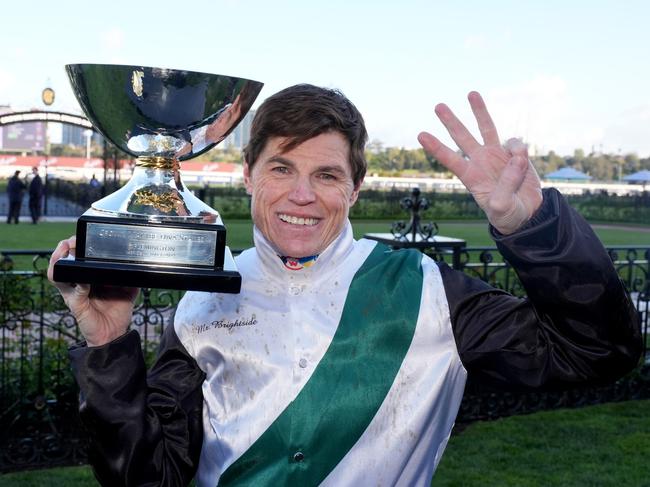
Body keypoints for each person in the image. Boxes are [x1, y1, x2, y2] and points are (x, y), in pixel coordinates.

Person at [48, 86, 641, 487]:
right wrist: (109, 345)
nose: (302, 195)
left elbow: (596, 353)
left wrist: (531, 227)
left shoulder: (429, 290)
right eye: (282, 168)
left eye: (326, 175)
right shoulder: (203, 297)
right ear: (249, 175)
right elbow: (151, 476)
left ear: (354, 189)